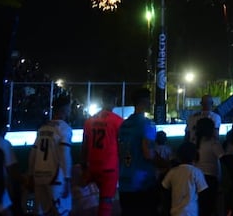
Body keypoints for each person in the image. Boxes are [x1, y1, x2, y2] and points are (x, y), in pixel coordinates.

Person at [28, 94, 73, 216]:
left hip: (38, 176)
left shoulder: (43, 128)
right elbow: (64, 154)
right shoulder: (64, 128)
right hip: (55, 178)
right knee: (62, 211)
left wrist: (31, 174)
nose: (70, 111)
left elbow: (33, 153)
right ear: (64, 109)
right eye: (69, 108)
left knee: (43, 212)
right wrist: (68, 178)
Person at [81, 91, 124, 216]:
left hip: (93, 166)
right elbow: (122, 146)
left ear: (102, 101)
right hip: (109, 169)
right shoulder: (118, 121)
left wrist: (84, 166)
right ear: (115, 101)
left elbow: (84, 145)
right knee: (105, 204)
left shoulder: (90, 120)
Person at [117, 88, 159, 216]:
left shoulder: (124, 124)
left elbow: (119, 151)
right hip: (142, 183)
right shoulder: (148, 124)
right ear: (146, 102)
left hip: (124, 181)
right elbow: (148, 153)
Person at [161, 141, 208, 216]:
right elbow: (203, 193)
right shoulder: (196, 172)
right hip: (191, 212)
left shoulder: (173, 172)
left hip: (175, 212)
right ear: (195, 156)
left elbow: (164, 187)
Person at [194, 117, 224, 216]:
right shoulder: (213, 143)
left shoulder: (195, 142)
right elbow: (223, 158)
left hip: (196, 178)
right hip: (210, 178)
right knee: (209, 208)